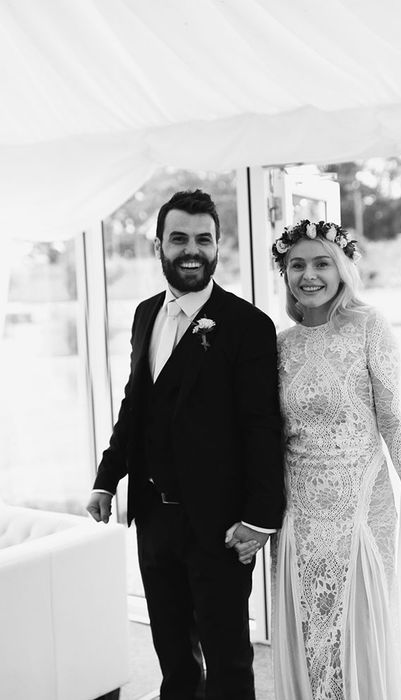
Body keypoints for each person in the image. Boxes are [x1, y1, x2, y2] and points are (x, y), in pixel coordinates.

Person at [240, 219, 401, 699]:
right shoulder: (279, 345)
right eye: (296, 265)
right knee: (312, 636)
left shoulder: (369, 325)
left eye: (322, 263)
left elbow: (393, 420)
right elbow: (271, 435)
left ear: (342, 268)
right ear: (283, 274)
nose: (309, 275)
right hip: (299, 513)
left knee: (363, 630)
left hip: (362, 507)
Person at [85, 189, 284, 700]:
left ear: (219, 246)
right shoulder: (145, 313)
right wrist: (107, 479)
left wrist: (260, 517)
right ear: (159, 247)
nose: (191, 250)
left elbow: (263, 426)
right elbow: (136, 404)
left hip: (220, 524)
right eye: (179, 239)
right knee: (174, 659)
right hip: (153, 519)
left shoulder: (247, 325)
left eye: (203, 239)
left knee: (229, 662)